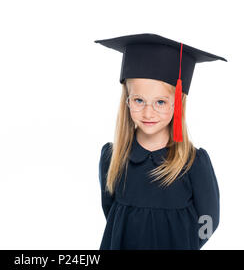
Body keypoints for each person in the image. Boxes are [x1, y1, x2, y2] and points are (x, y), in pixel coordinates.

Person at [95, 33, 226, 249]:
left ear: (178, 104)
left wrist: (185, 241)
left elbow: (209, 220)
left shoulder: (192, 162)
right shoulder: (113, 157)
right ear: (126, 101)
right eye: (139, 100)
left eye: (161, 102)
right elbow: (111, 211)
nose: (148, 112)